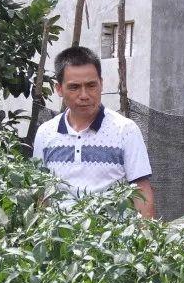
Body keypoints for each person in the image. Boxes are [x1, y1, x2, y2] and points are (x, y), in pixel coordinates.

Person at [32, 46, 156, 217]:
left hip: (112, 240)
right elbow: (42, 194)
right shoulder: (45, 134)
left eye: (91, 85)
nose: (84, 95)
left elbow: (141, 191)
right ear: (59, 89)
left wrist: (147, 241)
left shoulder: (125, 130)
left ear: (101, 84)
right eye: (74, 87)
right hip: (60, 239)